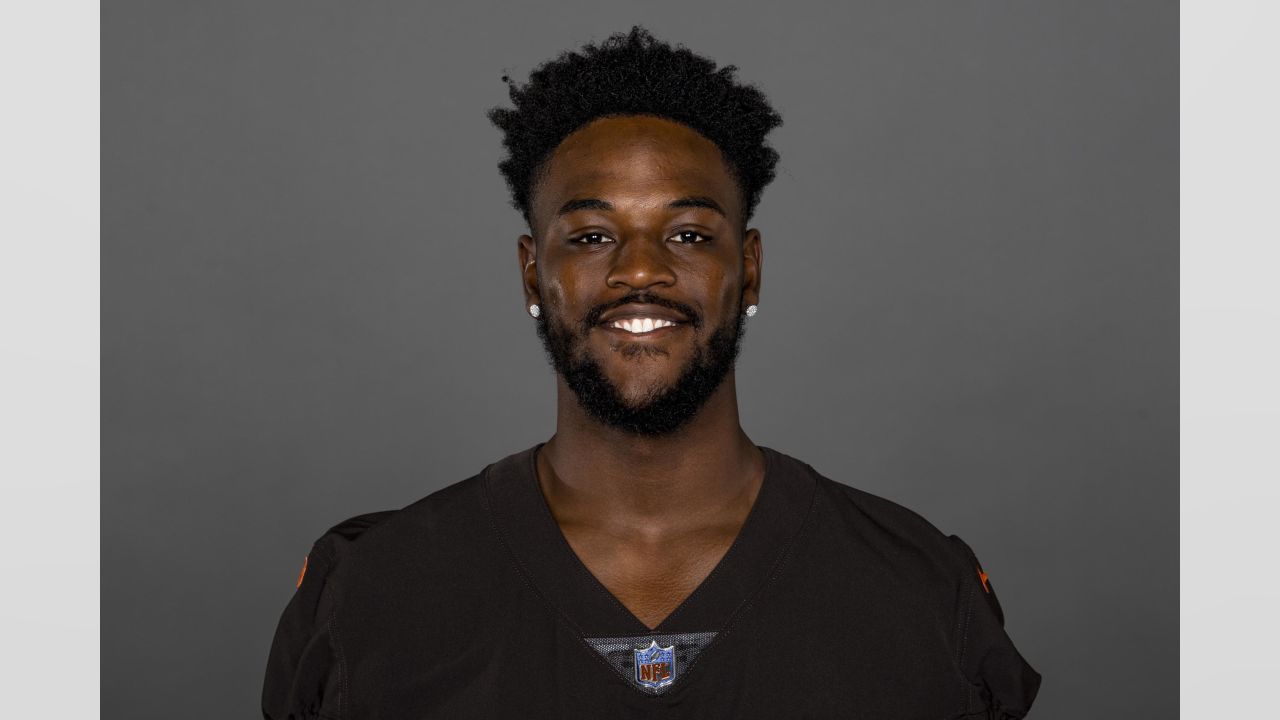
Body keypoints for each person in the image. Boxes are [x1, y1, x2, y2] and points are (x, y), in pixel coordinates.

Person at [262, 27, 1040, 719]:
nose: (641, 270)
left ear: (751, 268)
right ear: (534, 275)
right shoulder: (375, 593)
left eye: (691, 233)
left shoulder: (917, 591)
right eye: (594, 235)